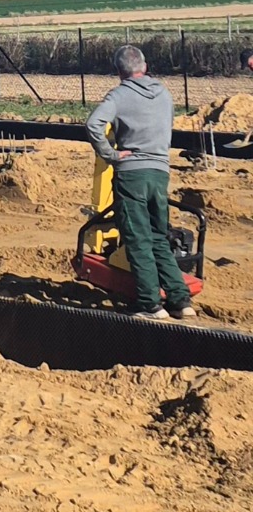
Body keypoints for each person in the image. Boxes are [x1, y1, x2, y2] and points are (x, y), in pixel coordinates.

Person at [85, 45, 194, 320]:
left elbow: (93, 124)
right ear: (144, 67)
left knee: (137, 238)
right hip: (160, 172)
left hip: (131, 173)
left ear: (119, 71)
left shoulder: (119, 95)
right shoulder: (164, 94)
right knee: (159, 235)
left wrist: (110, 154)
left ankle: (150, 305)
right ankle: (181, 301)